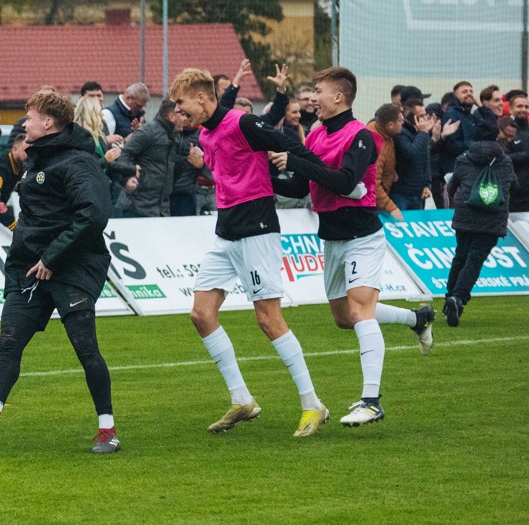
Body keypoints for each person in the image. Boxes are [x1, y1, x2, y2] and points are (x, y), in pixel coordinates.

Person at [269, 67, 436, 428]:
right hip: (332, 238)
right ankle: (417, 318)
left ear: (339, 97)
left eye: (319, 90)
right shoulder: (314, 137)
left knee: (361, 311)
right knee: (345, 318)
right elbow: (301, 188)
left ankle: (371, 401)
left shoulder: (360, 135)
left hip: (363, 236)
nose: (314, 97)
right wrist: (263, 177)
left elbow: (345, 181)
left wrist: (295, 160)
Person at [0, 89, 119, 454]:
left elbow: (93, 215)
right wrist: (29, 257)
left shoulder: (78, 162)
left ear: (48, 122)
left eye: (28, 117)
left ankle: (107, 430)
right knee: (9, 341)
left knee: (85, 348)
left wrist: (53, 257)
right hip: (29, 267)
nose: (23, 123)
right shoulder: (37, 159)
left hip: (73, 267)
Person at [168, 69, 328, 437]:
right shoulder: (206, 133)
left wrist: (328, 176)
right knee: (201, 313)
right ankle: (242, 399)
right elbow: (225, 167)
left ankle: (312, 404)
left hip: (257, 230)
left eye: (181, 103)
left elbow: (291, 146)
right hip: (225, 232)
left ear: (203, 98)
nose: (178, 111)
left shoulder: (243, 122)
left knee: (269, 321)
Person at [444, 120, 516, 327]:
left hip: (466, 215)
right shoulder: (505, 160)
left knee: (460, 256)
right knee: (475, 259)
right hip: (493, 218)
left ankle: (449, 299)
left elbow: (452, 185)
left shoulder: (463, 159)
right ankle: (458, 298)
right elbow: (514, 186)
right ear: (496, 135)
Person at [119, 99, 179, 218]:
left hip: (161, 208)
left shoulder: (173, 136)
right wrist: (128, 177)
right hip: (139, 206)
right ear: (172, 116)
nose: (186, 119)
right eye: (183, 115)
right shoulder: (149, 131)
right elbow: (124, 154)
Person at [368, 104, 405, 221]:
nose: (403, 122)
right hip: (372, 204)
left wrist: (391, 173)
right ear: (390, 125)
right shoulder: (376, 146)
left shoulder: (385, 133)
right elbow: (373, 184)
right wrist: (392, 208)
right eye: (400, 120)